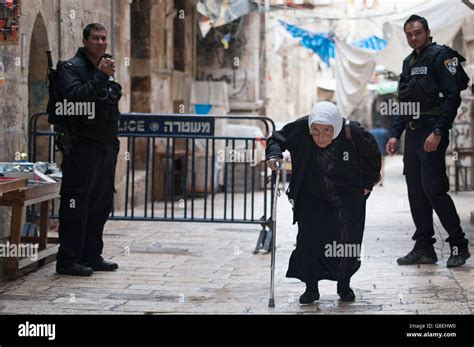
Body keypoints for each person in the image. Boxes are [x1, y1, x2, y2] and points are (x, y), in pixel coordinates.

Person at [266, 102, 381, 304]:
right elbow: (276, 139)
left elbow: (373, 156)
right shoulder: (301, 128)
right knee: (309, 241)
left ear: (334, 127)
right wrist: (274, 155)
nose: (320, 137)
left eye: (326, 131)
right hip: (311, 196)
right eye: (315, 131)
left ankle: (344, 285)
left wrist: (368, 184)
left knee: (347, 242)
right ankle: (311, 288)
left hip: (347, 198)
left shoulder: (351, 132)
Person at [386, 15, 471, 268]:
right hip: (412, 134)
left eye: (417, 33)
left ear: (427, 32)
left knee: (434, 189)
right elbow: (405, 103)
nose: (413, 38)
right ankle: (424, 247)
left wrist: (438, 131)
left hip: (432, 131)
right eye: (409, 34)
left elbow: (452, 97)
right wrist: (395, 133)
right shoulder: (408, 62)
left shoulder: (442, 56)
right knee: (416, 191)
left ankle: (458, 244)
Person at [55, 23, 122, 276]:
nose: (101, 42)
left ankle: (91, 254)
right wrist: (101, 77)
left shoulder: (105, 66)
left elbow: (110, 97)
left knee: (100, 202)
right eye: (95, 38)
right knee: (76, 203)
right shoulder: (70, 68)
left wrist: (106, 79)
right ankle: (68, 259)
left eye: (104, 38)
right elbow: (74, 99)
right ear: (85, 41)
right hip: (82, 146)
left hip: (106, 146)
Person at [370, 121, 389, 186]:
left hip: (374, 152)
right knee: (382, 167)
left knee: (374, 167)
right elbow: (387, 141)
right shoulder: (385, 132)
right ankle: (381, 182)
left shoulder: (372, 132)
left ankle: (374, 181)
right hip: (382, 152)